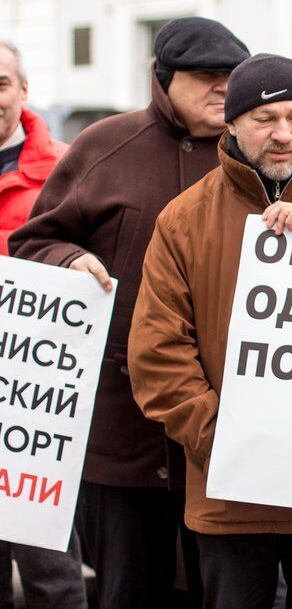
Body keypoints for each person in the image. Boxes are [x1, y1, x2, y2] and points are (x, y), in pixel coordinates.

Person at [127, 53, 292, 608]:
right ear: (230, 122)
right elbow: (158, 356)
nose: (284, 134)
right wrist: (229, 439)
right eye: (265, 119)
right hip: (232, 492)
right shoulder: (183, 220)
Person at [9, 17, 250, 608]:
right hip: (121, 427)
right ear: (164, 81)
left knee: (226, 591)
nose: (222, 89)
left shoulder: (261, 154)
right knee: (127, 589)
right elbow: (33, 241)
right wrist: (68, 259)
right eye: (205, 77)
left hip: (227, 428)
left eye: (231, 77)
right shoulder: (105, 145)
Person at [0, 41, 86, 609]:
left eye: (1, 83)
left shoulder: (65, 169)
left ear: (24, 90)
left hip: (37, 401)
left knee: (50, 570)